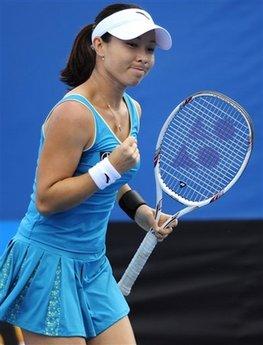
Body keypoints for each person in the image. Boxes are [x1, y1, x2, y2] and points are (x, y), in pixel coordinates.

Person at [0, 3, 177, 344]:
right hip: (46, 264)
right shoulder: (72, 114)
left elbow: (114, 185)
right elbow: (48, 199)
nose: (142, 57)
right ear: (99, 45)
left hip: (93, 264)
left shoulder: (132, 109)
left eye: (149, 49)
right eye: (131, 45)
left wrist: (140, 213)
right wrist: (110, 168)